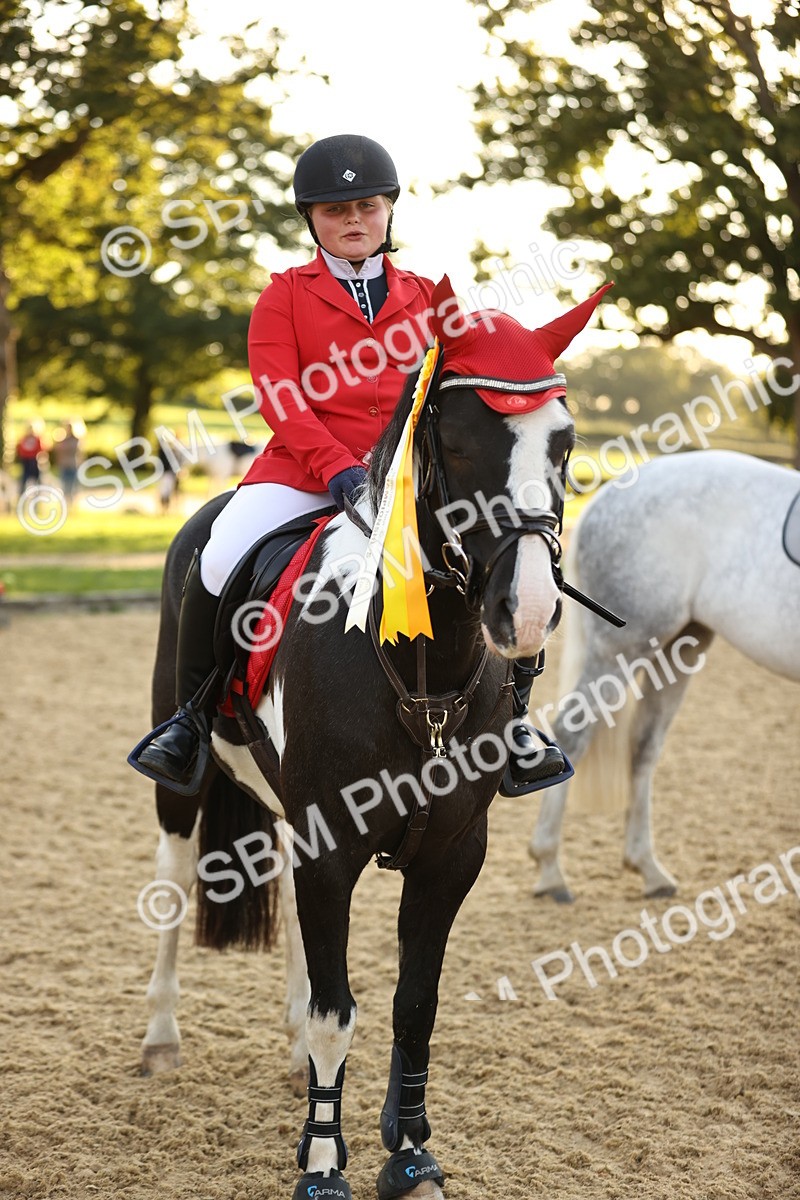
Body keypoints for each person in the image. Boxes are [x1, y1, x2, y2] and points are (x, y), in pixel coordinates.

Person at [136, 133, 564, 794]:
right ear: (312, 219)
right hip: (303, 474)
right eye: (336, 211)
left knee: (493, 555)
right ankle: (190, 720)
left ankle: (513, 728)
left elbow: (468, 384)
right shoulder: (284, 296)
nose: (353, 220)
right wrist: (337, 468)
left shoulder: (429, 297)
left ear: (389, 211)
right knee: (219, 552)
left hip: (405, 483)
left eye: (366, 205)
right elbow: (279, 394)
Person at [52, 422, 81, 507]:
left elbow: (74, 450)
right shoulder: (62, 439)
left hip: (72, 464)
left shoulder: (76, 440)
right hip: (64, 465)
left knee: (72, 486)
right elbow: (57, 449)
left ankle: (72, 505)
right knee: (64, 485)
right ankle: (66, 505)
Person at [15, 423, 45, 496]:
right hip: (26, 461)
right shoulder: (24, 439)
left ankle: (38, 492)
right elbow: (20, 449)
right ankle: (21, 493)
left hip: (34, 460)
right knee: (24, 477)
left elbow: (40, 449)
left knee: (36, 477)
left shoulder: (36, 439)